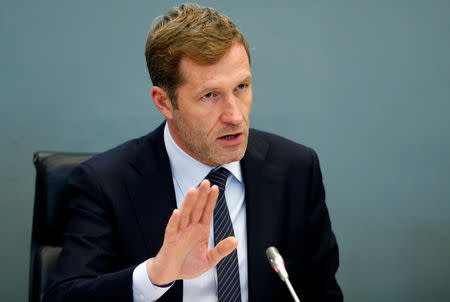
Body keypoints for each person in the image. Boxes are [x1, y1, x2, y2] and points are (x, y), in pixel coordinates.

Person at [44, 4, 343, 302]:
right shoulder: (105, 183)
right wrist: (154, 276)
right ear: (164, 102)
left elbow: (322, 293)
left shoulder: (296, 170)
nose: (235, 116)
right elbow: (63, 296)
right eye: (210, 95)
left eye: (241, 87)